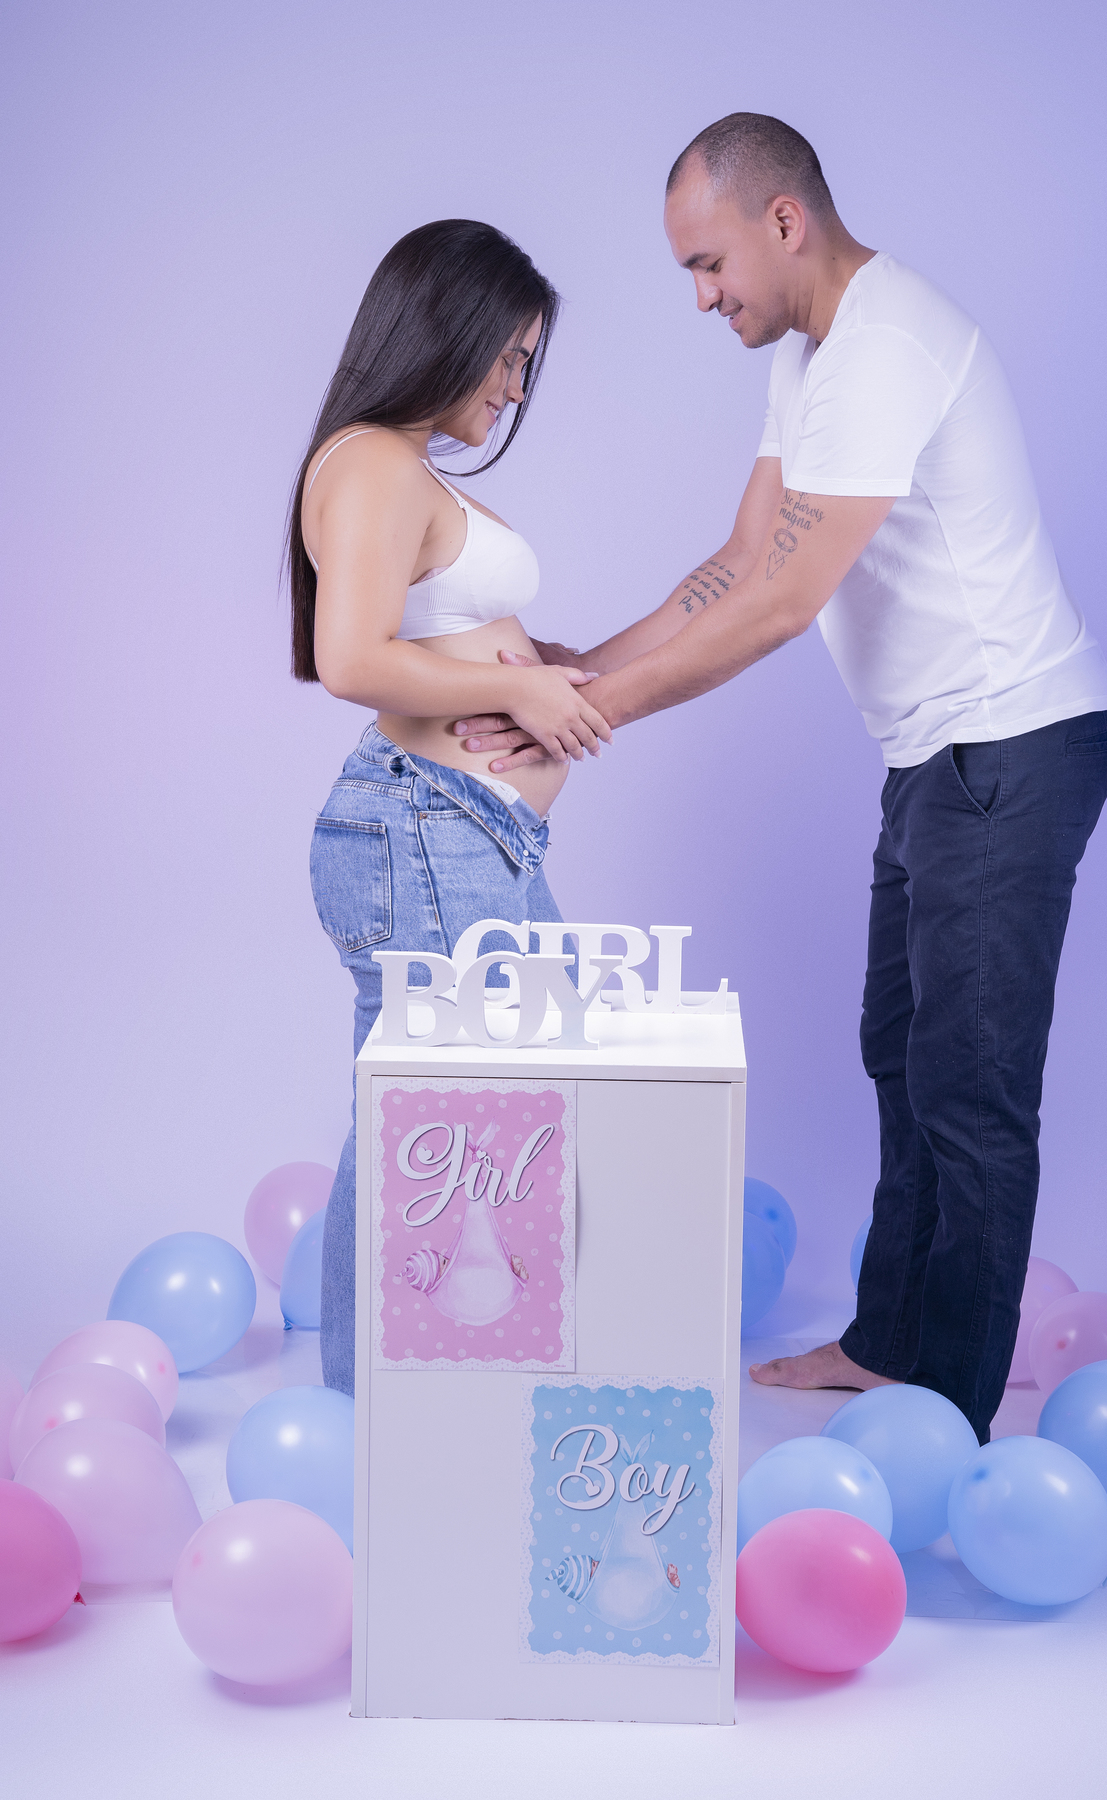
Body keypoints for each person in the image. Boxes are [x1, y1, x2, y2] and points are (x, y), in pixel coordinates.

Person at [455, 115, 1107, 1444]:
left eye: (709, 266)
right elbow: (741, 561)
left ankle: (949, 1418)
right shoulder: (811, 355)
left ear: (783, 220)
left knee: (971, 1087)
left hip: (1014, 742)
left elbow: (781, 606)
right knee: (900, 1055)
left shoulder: (885, 347)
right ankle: (890, 1347)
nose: (703, 298)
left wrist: (591, 720)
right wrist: (586, 666)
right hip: (936, 750)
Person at [288, 219, 610, 1396]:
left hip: (465, 832)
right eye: (509, 356)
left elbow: (427, 634)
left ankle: (428, 1395)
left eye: (528, 363)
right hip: (425, 827)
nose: (517, 387)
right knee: (419, 1119)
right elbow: (351, 659)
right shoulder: (374, 460)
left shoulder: (398, 464)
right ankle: (375, 1409)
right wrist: (513, 686)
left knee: (465, 1113)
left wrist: (535, 663)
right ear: (449, 330)